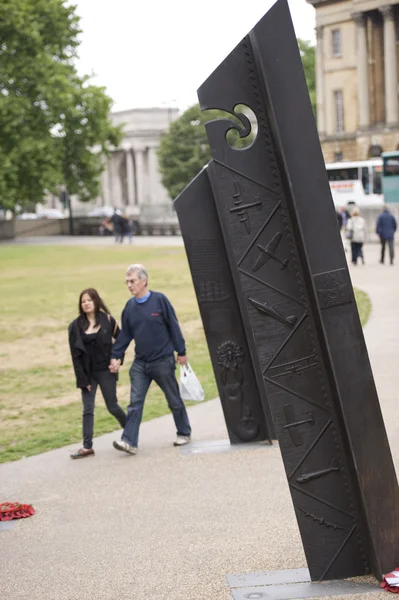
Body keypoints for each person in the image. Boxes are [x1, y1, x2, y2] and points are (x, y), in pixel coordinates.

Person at [109, 264, 192, 455]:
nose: (129, 285)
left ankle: (184, 432)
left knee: (173, 399)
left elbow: (173, 326)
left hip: (163, 361)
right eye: (127, 282)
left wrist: (181, 351)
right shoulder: (129, 307)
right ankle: (129, 441)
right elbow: (125, 336)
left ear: (144, 281)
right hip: (141, 364)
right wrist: (116, 356)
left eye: (133, 281)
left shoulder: (160, 300)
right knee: (134, 403)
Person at [68, 288, 127, 459]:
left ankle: (131, 431)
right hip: (88, 374)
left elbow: (121, 340)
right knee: (87, 409)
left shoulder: (108, 320)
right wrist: (82, 379)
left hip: (106, 371)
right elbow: (75, 356)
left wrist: (118, 360)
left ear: (96, 301)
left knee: (112, 406)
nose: (85, 303)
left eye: (89, 300)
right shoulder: (75, 326)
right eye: (83, 301)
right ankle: (87, 447)